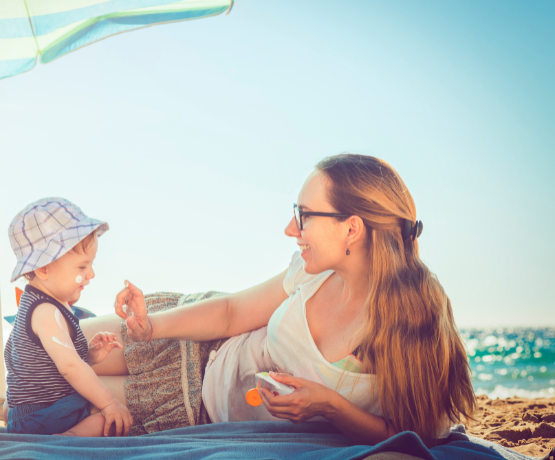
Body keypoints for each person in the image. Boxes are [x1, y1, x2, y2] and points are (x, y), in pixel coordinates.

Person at [80, 154, 476, 445]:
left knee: (60, 394)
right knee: (53, 349)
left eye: (304, 215)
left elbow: (415, 432)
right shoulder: (311, 270)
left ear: (352, 229)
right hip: (194, 341)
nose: (290, 229)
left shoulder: (415, 317)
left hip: (190, 404)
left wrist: (330, 407)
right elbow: (232, 312)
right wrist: (152, 328)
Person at [3, 197, 133, 437]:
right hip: (39, 416)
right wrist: (110, 403)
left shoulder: (48, 303)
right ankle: (63, 442)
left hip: (43, 412)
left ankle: (65, 437)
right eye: (82, 267)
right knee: (106, 415)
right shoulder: (45, 311)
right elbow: (70, 368)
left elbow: (53, 365)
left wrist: (90, 357)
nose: (91, 274)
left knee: (99, 407)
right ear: (43, 268)